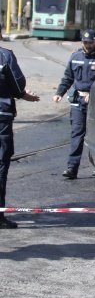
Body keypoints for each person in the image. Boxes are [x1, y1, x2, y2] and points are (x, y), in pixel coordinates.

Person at [0, 31, 40, 228]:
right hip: (1, 117)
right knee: (0, 163)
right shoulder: (5, 55)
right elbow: (18, 84)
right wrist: (23, 95)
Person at [53, 29, 95, 179]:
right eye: (85, 42)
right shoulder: (75, 57)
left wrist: (94, 94)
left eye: (90, 42)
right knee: (77, 133)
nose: (87, 45)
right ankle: (72, 168)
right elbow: (68, 77)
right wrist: (59, 93)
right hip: (78, 102)